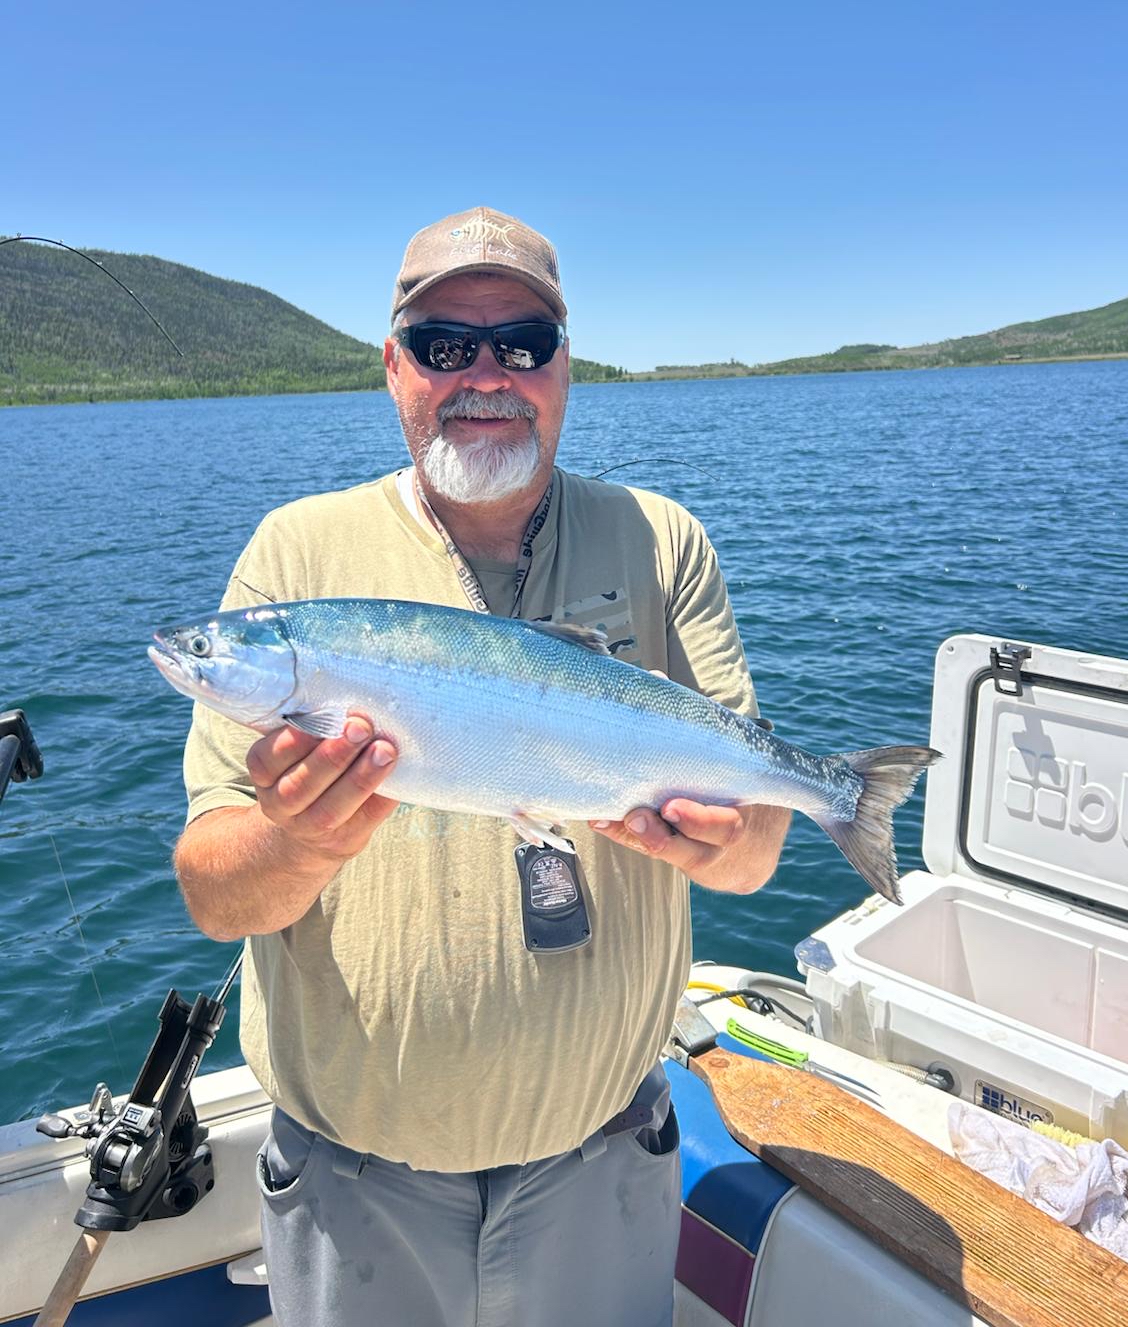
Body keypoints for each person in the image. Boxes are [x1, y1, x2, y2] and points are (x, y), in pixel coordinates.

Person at [174, 206, 791, 1327]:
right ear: (394, 367)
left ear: (566, 366)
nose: (486, 374)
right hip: (355, 1187)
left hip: (606, 1165)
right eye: (445, 344)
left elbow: (753, 858)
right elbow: (216, 891)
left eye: (523, 343)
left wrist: (733, 835)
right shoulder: (294, 554)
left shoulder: (664, 541)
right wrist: (295, 838)